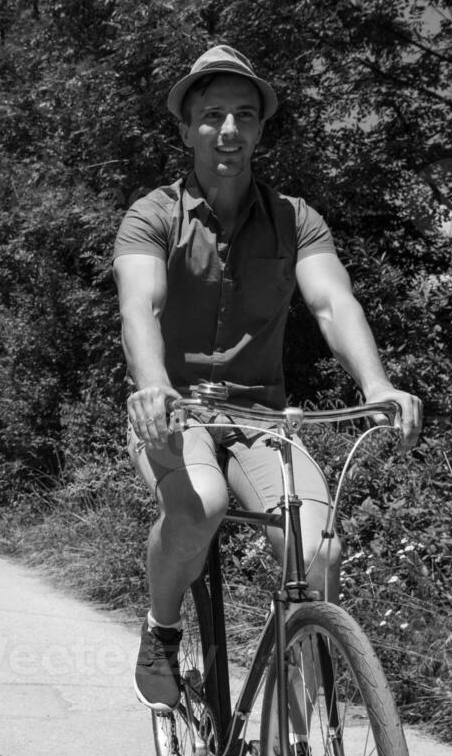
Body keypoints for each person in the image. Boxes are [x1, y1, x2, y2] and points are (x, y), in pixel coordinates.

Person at [114, 45, 423, 711]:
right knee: (199, 502)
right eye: (212, 115)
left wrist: (376, 384)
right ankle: (161, 629)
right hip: (173, 411)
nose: (228, 130)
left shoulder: (295, 219)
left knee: (317, 554)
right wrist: (149, 384)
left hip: (262, 417)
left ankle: (305, 740)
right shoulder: (153, 215)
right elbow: (141, 304)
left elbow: (331, 302)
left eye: (243, 116)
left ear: (259, 129)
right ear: (186, 128)